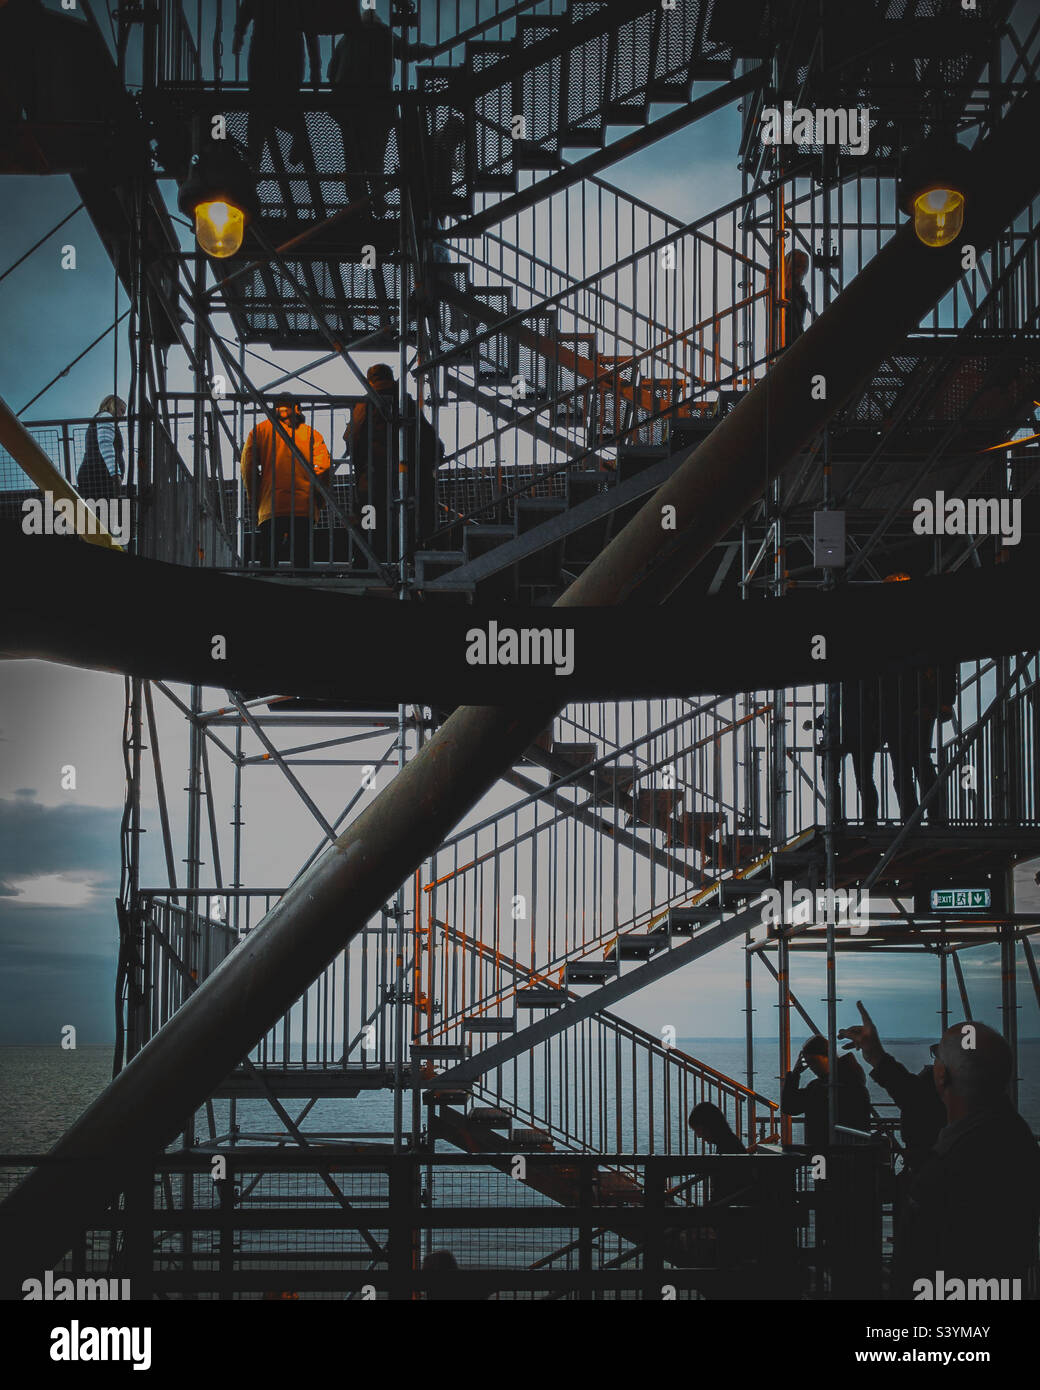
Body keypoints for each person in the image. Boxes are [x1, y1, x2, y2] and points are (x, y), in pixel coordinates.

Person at [894, 1021, 1040, 1298]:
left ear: (942, 1075)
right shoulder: (1014, 1139)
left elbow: (919, 1259)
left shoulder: (950, 1164)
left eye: (937, 1055)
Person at [347, 363, 443, 563]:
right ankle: (411, 562)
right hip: (408, 475)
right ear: (391, 378)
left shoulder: (364, 404)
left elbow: (352, 438)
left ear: (369, 381)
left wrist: (360, 465)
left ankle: (367, 563)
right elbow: (427, 437)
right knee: (410, 521)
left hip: (373, 477)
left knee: (369, 520)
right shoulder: (404, 401)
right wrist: (432, 459)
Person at [838, 1000, 945, 1177]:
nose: (934, 1062)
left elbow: (908, 1091)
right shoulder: (978, 1124)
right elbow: (907, 1090)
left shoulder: (931, 1098)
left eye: (939, 1054)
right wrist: (875, 1056)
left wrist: (875, 1055)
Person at [241, 394, 331, 566]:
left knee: (268, 558)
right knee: (302, 560)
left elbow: (247, 467)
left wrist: (255, 498)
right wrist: (318, 500)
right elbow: (323, 468)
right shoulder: (311, 434)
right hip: (303, 506)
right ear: (297, 408)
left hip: (270, 505)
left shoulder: (259, 432)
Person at [232, 1, 319, 169]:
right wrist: (315, 67)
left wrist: (239, 33)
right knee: (282, 105)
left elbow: (246, 9)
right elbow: (310, 29)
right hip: (287, 54)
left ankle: (253, 162)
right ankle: (296, 139)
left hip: (265, 54)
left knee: (259, 109)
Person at [781, 1035, 872, 1152]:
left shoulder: (819, 1088)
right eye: (808, 1063)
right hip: (849, 1152)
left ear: (828, 1056)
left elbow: (790, 1106)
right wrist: (795, 1074)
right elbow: (789, 1107)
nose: (812, 1067)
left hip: (825, 1152)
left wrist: (795, 1074)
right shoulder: (853, 1083)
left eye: (814, 1061)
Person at [76, 395, 126, 500]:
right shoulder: (106, 417)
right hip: (98, 478)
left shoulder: (102, 419)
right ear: (113, 405)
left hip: (97, 477)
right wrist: (115, 473)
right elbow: (105, 444)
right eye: (121, 410)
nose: (122, 415)